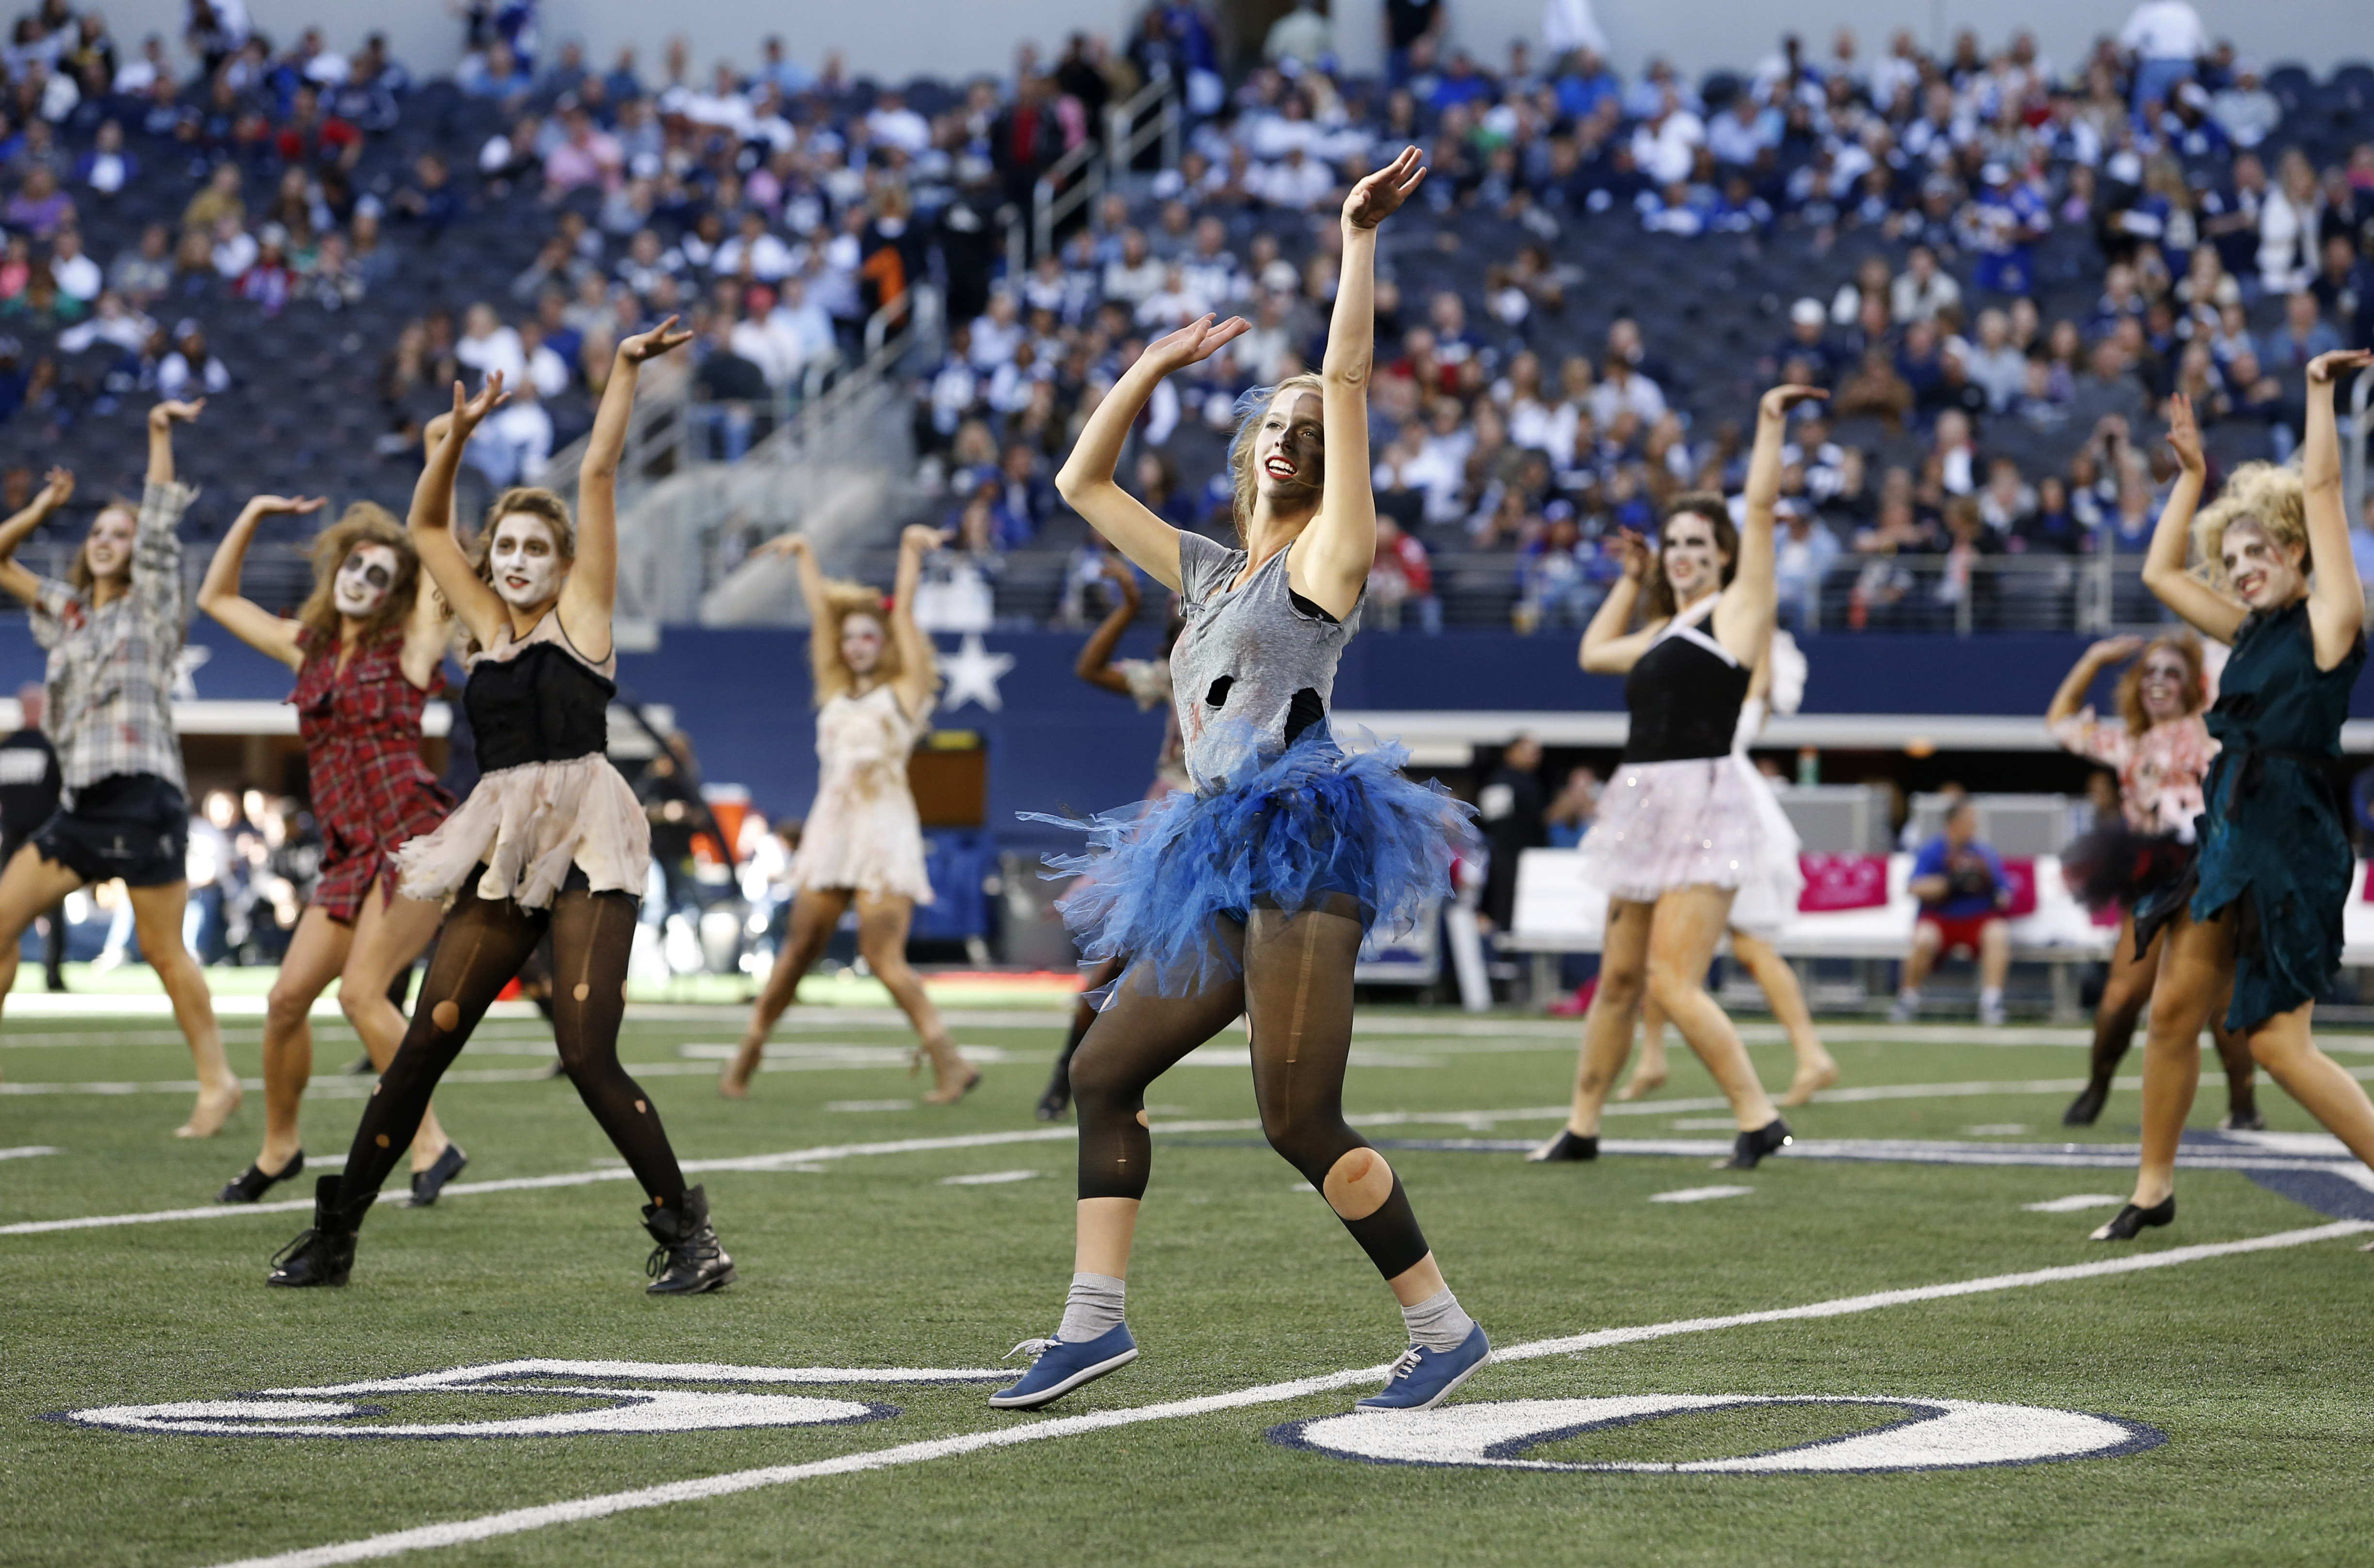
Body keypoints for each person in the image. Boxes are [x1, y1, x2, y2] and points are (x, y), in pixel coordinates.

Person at [995, 149, 1489, 1416]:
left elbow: (1351, 376)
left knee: (1295, 1119)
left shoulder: (1334, 552)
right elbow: (1078, 484)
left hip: (1306, 837)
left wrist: (1355, 242)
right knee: (1106, 1072)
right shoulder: (1206, 566)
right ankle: (1092, 1322)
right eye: (1274, 426)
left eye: (1309, 434)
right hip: (1213, 845)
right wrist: (1151, 369)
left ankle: (1439, 1326)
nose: (1290, 439)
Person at [269, 320, 736, 1295]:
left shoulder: (583, 617)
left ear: (564, 563)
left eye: (536, 547)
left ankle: (688, 1234)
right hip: (501, 839)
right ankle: (337, 1235)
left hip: (586, 837)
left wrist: (623, 373)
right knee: (428, 1034)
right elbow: (430, 531)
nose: (518, 559)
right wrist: (455, 444)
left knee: (585, 1049)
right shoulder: (482, 626)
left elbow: (599, 475)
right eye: (509, 546)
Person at [2097, 358, 2374, 1241]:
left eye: (2263, 551)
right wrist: (2189, 481)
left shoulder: (2331, 621)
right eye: (2236, 556)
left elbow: (2324, 484)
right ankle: (2152, 1186)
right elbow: (2157, 574)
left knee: (2275, 1042)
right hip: (2230, 829)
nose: (2245, 567)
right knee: (2175, 1010)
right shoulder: (2247, 628)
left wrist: (2319, 396)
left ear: (2298, 550)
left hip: (2290, 834)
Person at [1532, 385, 1820, 1171]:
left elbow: (1758, 512)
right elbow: (1594, 652)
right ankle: (1583, 1123)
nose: (1685, 553)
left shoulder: (1738, 611)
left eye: (1698, 541)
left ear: (1722, 552)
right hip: (1644, 801)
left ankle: (1758, 1116)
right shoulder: (1665, 626)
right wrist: (1632, 577)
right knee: (1619, 976)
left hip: (1705, 800)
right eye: (1675, 542)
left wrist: (1767, 423)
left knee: (1672, 976)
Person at [195, 495, 468, 1205]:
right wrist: (252, 512)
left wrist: (451, 444)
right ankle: (280, 1147)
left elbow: (437, 544)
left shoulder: (410, 643)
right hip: (349, 853)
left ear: (397, 593)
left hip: (412, 841)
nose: (363, 580)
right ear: (337, 565)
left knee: (360, 994)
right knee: (285, 999)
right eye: (357, 564)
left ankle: (432, 1141)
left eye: (381, 576)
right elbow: (216, 596)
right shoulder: (308, 647)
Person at [0, 410, 238, 1136]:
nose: (108, 541)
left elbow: (162, 516)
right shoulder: (68, 612)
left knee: (165, 953)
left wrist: (159, 433)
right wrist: (39, 510)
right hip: (80, 804)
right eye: (98, 532)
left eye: (120, 533)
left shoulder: (154, 605)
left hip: (143, 796)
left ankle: (217, 1081)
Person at [718, 526, 978, 1104]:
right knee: (798, 952)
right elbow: (821, 620)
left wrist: (909, 552)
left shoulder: (904, 692)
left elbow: (904, 611)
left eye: (869, 636)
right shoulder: (836, 690)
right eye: (850, 637)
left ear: (884, 642)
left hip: (884, 832)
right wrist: (807, 556)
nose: (857, 644)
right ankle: (745, 1058)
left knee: (883, 959)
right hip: (834, 831)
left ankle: (951, 1063)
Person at [1613, 642, 1841, 1108]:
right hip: (1698, 814)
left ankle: (1809, 1053)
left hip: (1727, 819)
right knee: (1666, 942)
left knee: (1748, 944)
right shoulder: (1710, 698)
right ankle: (1653, 1055)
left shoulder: (1729, 696)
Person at [2045, 634, 2258, 1130]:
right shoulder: (2127, 742)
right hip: (2150, 878)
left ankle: (2244, 1106)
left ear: (2193, 685)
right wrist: (2093, 658)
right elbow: (2058, 723)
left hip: (2210, 871)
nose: (2159, 681)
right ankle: (2097, 1085)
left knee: (2218, 999)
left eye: (2172, 673)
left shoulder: (2212, 727)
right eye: (2151, 674)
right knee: (2122, 996)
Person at [1035, 557, 1188, 1123]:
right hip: (1173, 812)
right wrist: (1127, 610)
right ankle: (1066, 1071)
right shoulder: (1174, 671)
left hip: (1235, 811)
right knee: (1120, 957)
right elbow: (1091, 667)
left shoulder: (1251, 661)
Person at [1891, 799, 2014, 1025]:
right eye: (1969, 821)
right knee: (1923, 938)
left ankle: (1992, 1002)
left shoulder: (1983, 852)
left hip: (1978, 917)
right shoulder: (1933, 850)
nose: (1973, 827)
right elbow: (1914, 887)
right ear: (1953, 823)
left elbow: (2004, 892)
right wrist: (1950, 883)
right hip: (1941, 916)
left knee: (1998, 934)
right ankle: (1907, 999)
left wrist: (1994, 890)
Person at [0, 683, 66, 992]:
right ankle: (53, 975)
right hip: (45, 841)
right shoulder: (51, 748)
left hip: (11, 841)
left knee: (5, 910)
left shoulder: (5, 748)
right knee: (53, 910)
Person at [1477, 734, 1547, 936]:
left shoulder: (1534, 781)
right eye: (1529, 752)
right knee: (1506, 906)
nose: (1535, 757)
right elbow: (1494, 822)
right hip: (1507, 858)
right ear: (1511, 753)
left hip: (1530, 857)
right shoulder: (1499, 781)